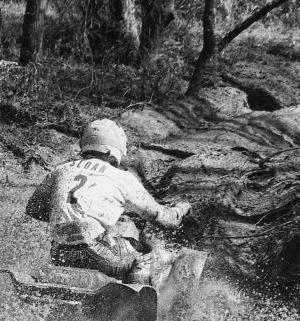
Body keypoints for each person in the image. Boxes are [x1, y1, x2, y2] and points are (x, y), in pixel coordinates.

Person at [25, 119, 191, 282]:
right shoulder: (122, 177)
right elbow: (164, 219)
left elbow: (34, 209)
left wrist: (65, 215)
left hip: (59, 252)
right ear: (114, 152)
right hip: (97, 250)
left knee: (114, 235)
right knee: (149, 254)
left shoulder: (61, 169)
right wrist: (182, 209)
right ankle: (135, 296)